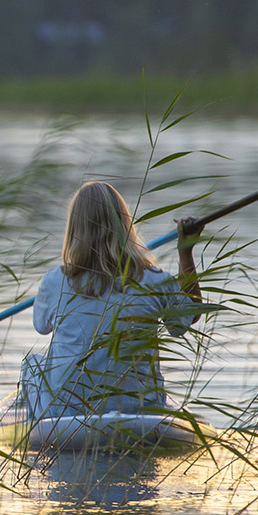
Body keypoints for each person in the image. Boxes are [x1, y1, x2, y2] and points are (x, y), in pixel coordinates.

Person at [20, 180, 204, 421]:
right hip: (139, 409)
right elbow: (188, 317)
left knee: (32, 365)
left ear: (75, 229)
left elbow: (42, 326)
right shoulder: (154, 279)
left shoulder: (55, 281)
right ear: (125, 223)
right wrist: (185, 251)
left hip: (68, 414)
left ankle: (43, 427)